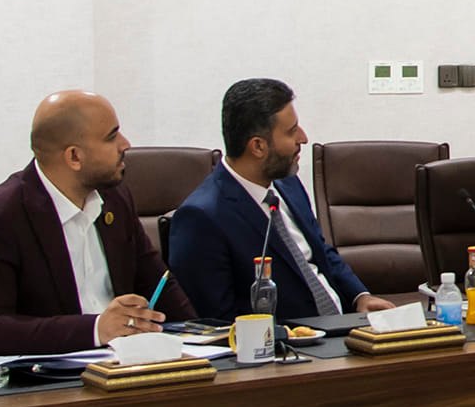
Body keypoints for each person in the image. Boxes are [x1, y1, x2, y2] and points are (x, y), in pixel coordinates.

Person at [0, 91, 195, 356]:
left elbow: (158, 284)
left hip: (120, 364)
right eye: (111, 137)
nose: (125, 144)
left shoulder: (115, 198)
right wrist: (96, 329)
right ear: (74, 157)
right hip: (44, 373)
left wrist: (201, 340)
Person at [168, 79, 393, 320]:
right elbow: (215, 321)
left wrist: (360, 296)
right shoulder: (202, 217)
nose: (303, 138)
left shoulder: (287, 183)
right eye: (291, 131)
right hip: (286, 339)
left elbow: (321, 252)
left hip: (343, 326)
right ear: (258, 146)